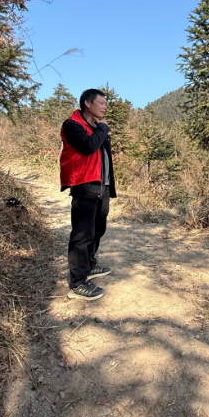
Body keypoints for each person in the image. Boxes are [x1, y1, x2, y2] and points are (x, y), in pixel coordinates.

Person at [59, 89, 116, 301]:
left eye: (105, 103)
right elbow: (89, 146)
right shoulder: (72, 125)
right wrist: (103, 129)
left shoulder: (94, 127)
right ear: (87, 103)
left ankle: (89, 264)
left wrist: (100, 130)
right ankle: (77, 283)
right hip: (84, 184)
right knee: (82, 234)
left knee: (98, 229)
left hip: (102, 185)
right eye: (101, 103)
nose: (105, 107)